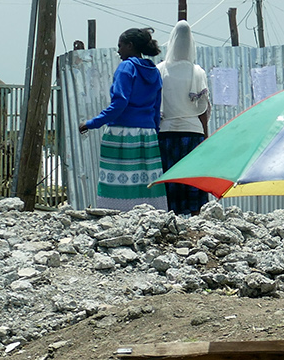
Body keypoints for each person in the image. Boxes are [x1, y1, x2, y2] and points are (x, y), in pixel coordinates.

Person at [78, 28, 166, 211]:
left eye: (120, 46)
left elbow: (120, 102)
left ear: (130, 45)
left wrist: (91, 123)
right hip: (147, 134)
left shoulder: (127, 67)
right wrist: (154, 131)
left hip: (123, 133)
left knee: (118, 181)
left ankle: (115, 215)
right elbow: (156, 107)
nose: (118, 51)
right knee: (144, 181)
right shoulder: (154, 71)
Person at [156, 20, 212, 216]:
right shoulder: (197, 72)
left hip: (167, 133)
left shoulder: (160, 70)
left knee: (171, 176)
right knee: (194, 176)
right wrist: (205, 135)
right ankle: (197, 218)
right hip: (193, 133)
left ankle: (172, 218)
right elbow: (203, 108)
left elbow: (155, 105)